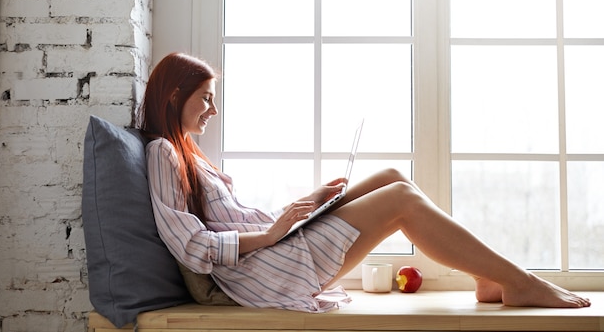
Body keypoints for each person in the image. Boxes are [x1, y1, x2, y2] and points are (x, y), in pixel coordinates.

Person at [136, 52, 591, 312]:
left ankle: (486, 276)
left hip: (276, 248)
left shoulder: (189, 155)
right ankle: (518, 281)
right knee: (401, 201)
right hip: (266, 271)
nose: (213, 111)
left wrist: (306, 204)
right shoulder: (163, 152)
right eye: (206, 99)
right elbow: (190, 245)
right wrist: (272, 234)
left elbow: (231, 220)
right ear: (175, 96)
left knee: (391, 177)